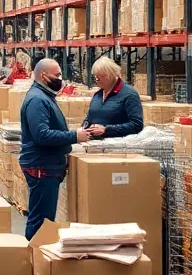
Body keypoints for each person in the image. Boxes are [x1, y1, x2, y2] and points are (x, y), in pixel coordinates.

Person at [19, 58, 92, 240]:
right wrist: (75, 136)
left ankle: (38, 258)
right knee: (41, 221)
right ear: (43, 76)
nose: (60, 79)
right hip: (41, 166)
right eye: (57, 75)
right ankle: (35, 260)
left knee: (44, 217)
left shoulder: (44, 97)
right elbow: (42, 135)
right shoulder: (37, 100)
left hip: (46, 164)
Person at [81, 56, 143, 139]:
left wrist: (106, 129)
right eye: (95, 77)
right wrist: (84, 127)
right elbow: (90, 118)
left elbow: (136, 125)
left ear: (110, 75)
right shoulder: (97, 95)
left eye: (99, 78)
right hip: (95, 144)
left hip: (118, 146)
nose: (96, 80)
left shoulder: (129, 95)